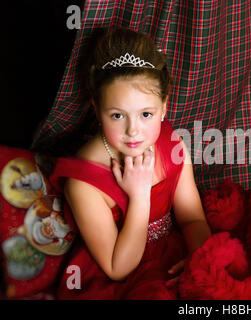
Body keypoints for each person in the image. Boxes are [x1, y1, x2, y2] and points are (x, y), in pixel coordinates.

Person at [49, 28, 211, 299]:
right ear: (97, 109)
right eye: (117, 116)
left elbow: (193, 218)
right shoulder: (83, 181)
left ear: (164, 107)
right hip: (119, 274)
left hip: (173, 254)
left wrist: (199, 258)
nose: (133, 131)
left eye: (146, 114)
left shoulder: (173, 146)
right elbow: (117, 268)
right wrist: (139, 196)